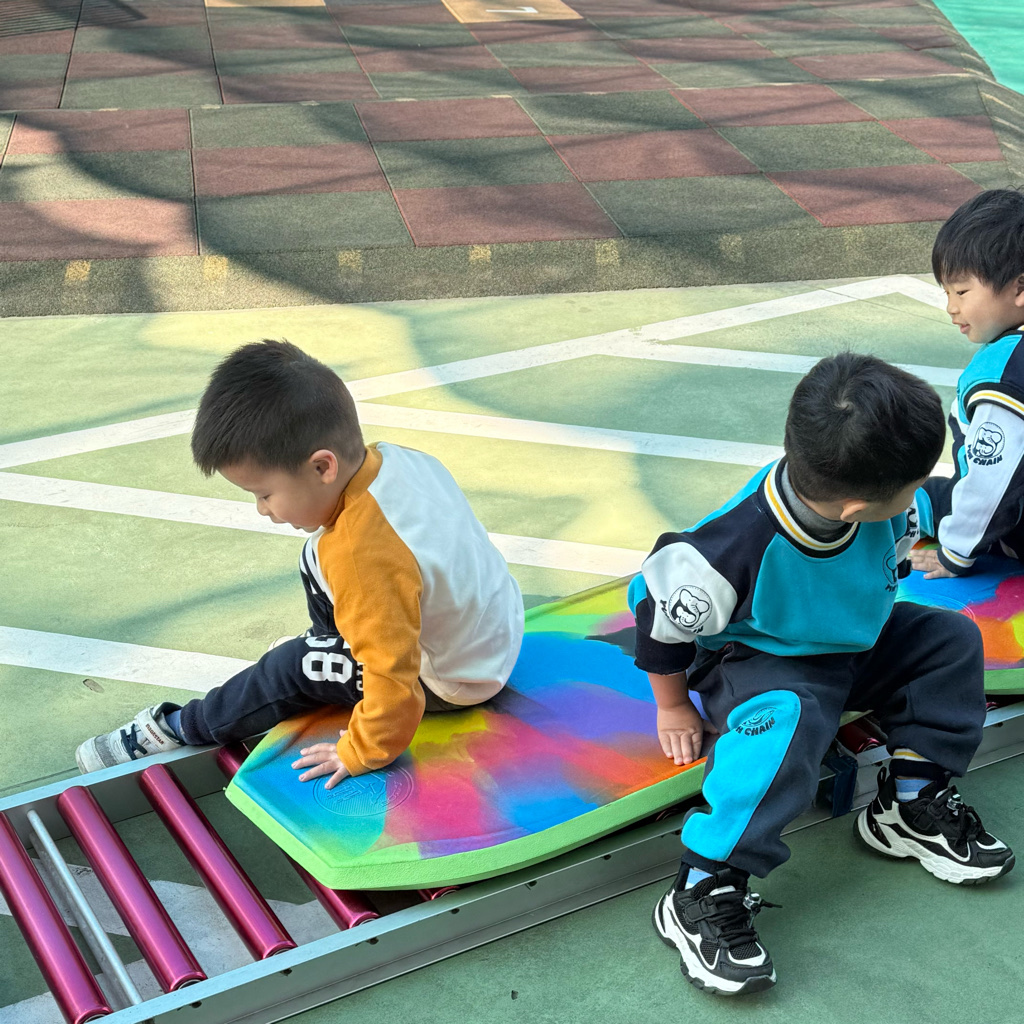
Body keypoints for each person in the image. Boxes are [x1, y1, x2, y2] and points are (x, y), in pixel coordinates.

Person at [630, 353, 1014, 997]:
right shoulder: (732, 550)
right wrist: (672, 706)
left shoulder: (874, 501)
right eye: (916, 481)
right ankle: (703, 882)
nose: (925, 488)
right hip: (757, 658)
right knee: (789, 718)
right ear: (857, 508)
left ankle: (909, 802)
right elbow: (656, 613)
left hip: (846, 641)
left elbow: (904, 548)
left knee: (949, 639)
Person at [76, 340, 524, 788]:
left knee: (288, 667)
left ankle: (176, 728)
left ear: (323, 467)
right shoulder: (398, 459)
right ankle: (329, 644)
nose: (261, 509)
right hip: (494, 634)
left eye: (264, 494)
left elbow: (394, 673)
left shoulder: (362, 555)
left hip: (450, 681)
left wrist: (362, 751)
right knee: (316, 551)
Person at [912, 188, 1024, 579]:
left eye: (961, 291)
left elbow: (991, 480)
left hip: (1013, 526)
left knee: (918, 497)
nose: (951, 307)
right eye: (946, 292)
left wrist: (954, 554)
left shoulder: (1004, 373)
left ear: (1019, 288)